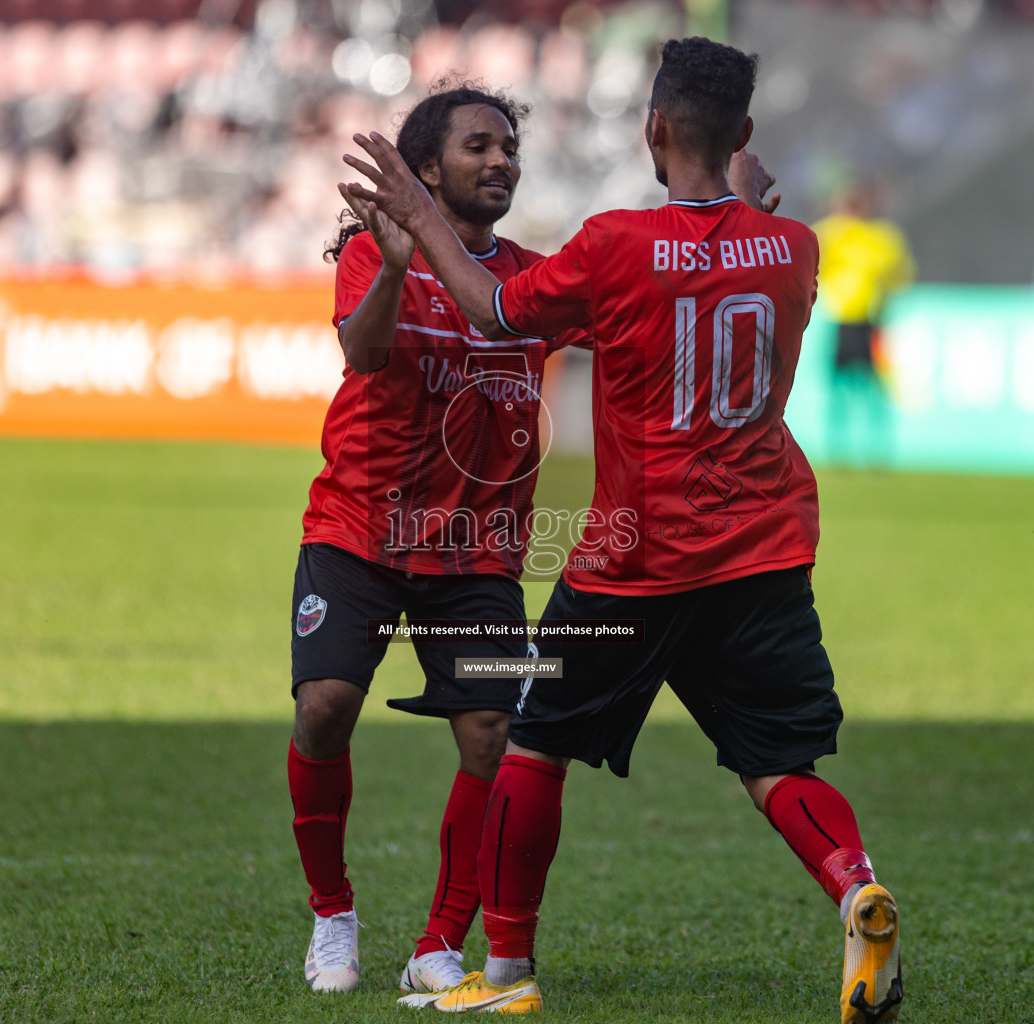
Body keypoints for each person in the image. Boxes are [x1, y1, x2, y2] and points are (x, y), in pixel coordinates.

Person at [343, 37, 902, 1023]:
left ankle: (506, 971)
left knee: (529, 742)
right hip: (765, 550)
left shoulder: (613, 246)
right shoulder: (797, 248)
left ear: (653, 129)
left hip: (637, 558)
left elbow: (490, 306)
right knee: (776, 763)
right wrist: (747, 203)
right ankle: (856, 884)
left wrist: (419, 209)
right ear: (744, 138)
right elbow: (736, 262)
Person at [289, 84, 593, 997]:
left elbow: (627, 324)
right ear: (425, 173)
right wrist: (389, 267)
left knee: (494, 733)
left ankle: (437, 941)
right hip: (360, 528)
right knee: (325, 706)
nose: (501, 160)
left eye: (508, 147)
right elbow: (366, 355)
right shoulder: (368, 253)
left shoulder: (535, 277)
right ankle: (332, 915)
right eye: (477, 147)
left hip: (480, 554)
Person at [813, 180, 915, 469]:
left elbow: (900, 273)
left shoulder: (880, 238)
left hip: (870, 321)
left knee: (872, 388)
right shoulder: (833, 232)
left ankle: (875, 449)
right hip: (841, 319)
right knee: (840, 388)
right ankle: (839, 448)